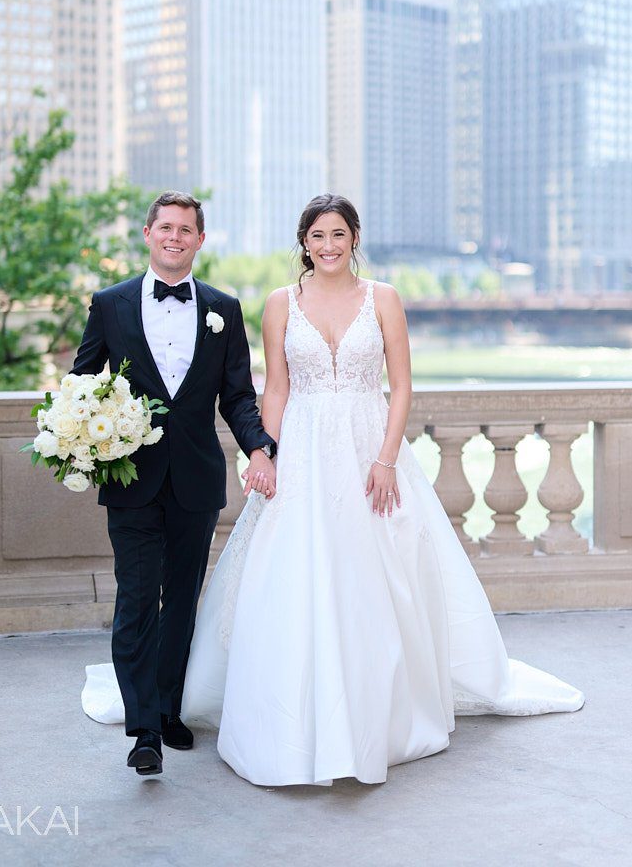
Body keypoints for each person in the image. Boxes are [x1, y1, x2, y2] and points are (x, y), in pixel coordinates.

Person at [82, 193, 584, 787]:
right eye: (317, 236)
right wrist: (265, 452)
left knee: (371, 577)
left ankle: (365, 712)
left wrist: (387, 459)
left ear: (354, 239)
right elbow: (270, 392)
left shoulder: (380, 300)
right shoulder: (271, 304)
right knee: (264, 582)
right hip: (293, 451)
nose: (327, 246)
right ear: (304, 243)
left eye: (338, 235)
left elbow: (398, 387)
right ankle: (170, 725)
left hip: (366, 449)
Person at [72, 191, 277, 775]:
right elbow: (80, 383)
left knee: (181, 601)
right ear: (147, 233)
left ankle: (167, 708)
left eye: (186, 229)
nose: (175, 237)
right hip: (130, 477)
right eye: (166, 227)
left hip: (196, 478)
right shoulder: (109, 305)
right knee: (137, 598)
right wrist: (83, 441)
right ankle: (143, 731)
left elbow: (237, 395)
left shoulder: (224, 309)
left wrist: (260, 445)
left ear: (200, 240)